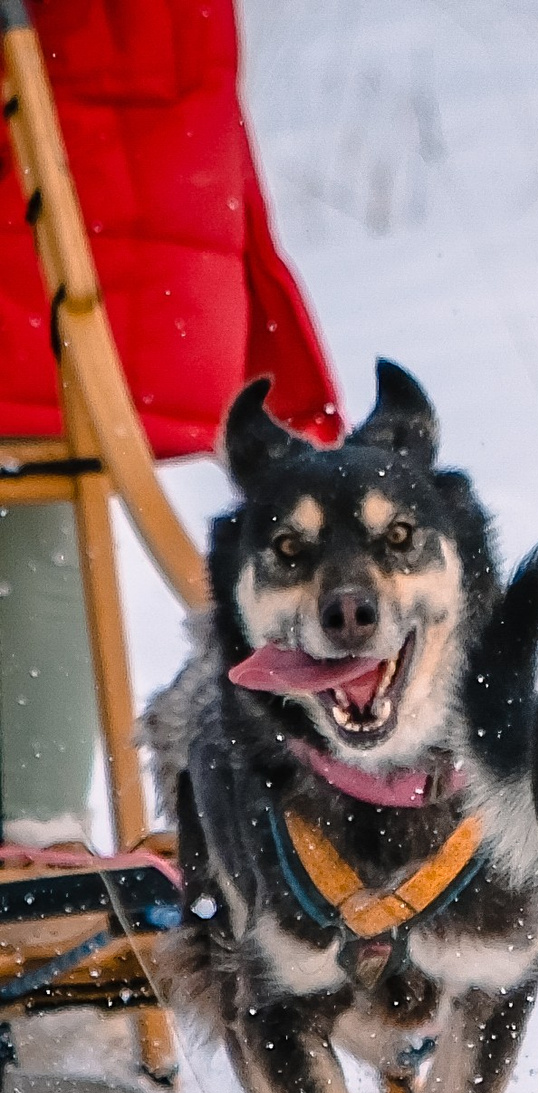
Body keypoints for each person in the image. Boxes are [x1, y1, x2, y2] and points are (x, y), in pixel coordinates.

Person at [0, 0, 337, 846]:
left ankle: (33, 836)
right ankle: (34, 829)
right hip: (119, 158)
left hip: (74, 153)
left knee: (40, 493)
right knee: (43, 501)